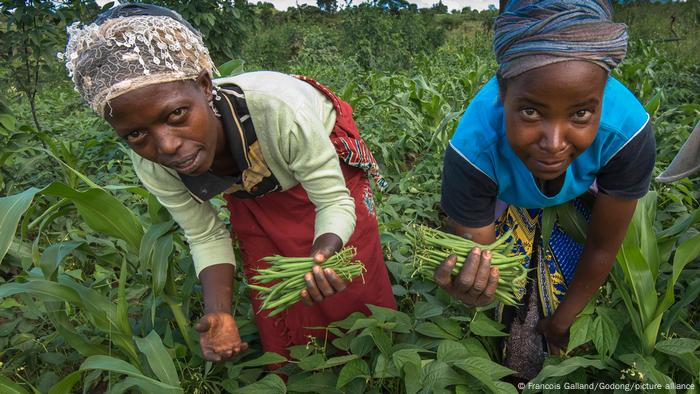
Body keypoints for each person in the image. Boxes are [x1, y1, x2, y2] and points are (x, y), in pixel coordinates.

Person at [62, 3, 396, 363]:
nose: (167, 146)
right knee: (269, 272)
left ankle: (377, 360)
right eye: (136, 134)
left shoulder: (279, 112)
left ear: (206, 86)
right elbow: (204, 235)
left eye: (176, 114)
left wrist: (320, 254)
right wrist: (218, 311)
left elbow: (333, 201)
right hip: (250, 185)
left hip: (312, 153)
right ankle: (300, 366)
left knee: (347, 266)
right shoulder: (153, 162)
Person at [434, 0, 655, 379]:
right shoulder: (472, 152)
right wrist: (479, 287)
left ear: (605, 93)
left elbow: (603, 246)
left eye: (581, 113)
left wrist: (563, 320)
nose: (554, 143)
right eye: (531, 112)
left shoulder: (628, 133)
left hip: (586, 190)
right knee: (514, 311)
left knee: (565, 296)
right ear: (502, 92)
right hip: (505, 197)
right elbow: (487, 264)